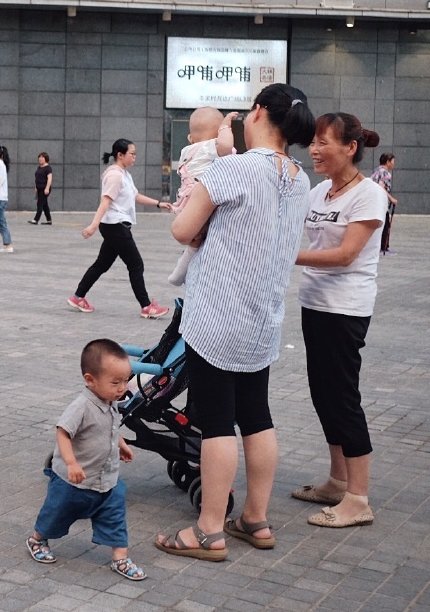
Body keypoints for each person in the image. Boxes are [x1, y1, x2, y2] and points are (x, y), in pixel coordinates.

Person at [155, 83, 314, 561]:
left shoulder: (235, 168)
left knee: (218, 420)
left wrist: (218, 158)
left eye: (247, 110)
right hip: (263, 317)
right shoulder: (299, 177)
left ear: (260, 112)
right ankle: (255, 519)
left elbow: (181, 228)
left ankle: (208, 530)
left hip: (219, 314)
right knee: (257, 416)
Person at [293, 113, 387, 529]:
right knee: (322, 395)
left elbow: (346, 255)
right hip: (314, 304)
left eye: (324, 142)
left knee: (343, 399)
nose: (314, 150)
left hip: (346, 310)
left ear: (350, 147)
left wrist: (286, 255)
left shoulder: (368, 194)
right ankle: (336, 480)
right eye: (313, 142)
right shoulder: (319, 192)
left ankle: (358, 498)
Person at [25, 339, 146, 581]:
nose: (122, 388)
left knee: (115, 515)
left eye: (125, 380)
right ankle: (37, 539)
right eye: (115, 382)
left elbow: (111, 428)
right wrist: (71, 463)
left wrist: (121, 444)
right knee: (57, 512)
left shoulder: (111, 403)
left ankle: (120, 557)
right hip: (73, 482)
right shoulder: (81, 406)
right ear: (90, 380)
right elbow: (63, 431)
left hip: (107, 481)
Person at [67, 139, 171, 318]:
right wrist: (93, 225)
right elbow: (105, 201)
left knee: (102, 264)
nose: (135, 157)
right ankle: (146, 306)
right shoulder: (115, 175)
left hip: (115, 226)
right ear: (120, 155)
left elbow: (135, 195)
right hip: (115, 226)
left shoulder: (124, 174)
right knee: (136, 264)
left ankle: (78, 297)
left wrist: (159, 204)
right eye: (132, 153)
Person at [167, 107, 234, 286]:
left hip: (187, 203)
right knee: (202, 239)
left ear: (190, 138)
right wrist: (226, 126)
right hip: (203, 200)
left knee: (195, 243)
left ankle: (178, 274)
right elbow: (226, 147)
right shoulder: (209, 147)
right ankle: (180, 274)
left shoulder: (187, 150)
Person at [370, 152, 397, 255]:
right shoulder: (385, 173)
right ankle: (384, 247)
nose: (394, 164)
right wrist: (391, 199)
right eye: (393, 161)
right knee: (385, 225)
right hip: (381, 203)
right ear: (388, 161)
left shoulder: (376, 171)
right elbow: (381, 187)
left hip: (373, 202)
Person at [30, 152, 53, 225]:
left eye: (42, 157)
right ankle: (49, 220)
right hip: (39, 188)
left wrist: (47, 188)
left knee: (40, 203)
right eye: (39, 157)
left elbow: (49, 179)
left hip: (45, 188)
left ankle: (36, 219)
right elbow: (37, 178)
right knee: (44, 204)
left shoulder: (48, 168)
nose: (40, 159)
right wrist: (36, 187)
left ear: (46, 159)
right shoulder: (39, 167)